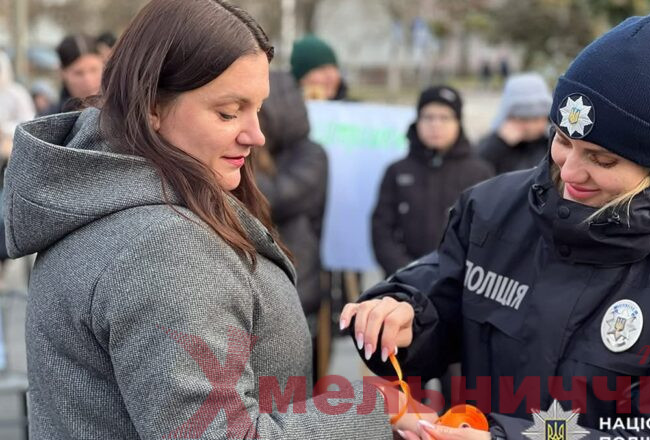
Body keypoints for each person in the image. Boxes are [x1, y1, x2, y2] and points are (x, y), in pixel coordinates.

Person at [6, 1, 429, 438]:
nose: (256, 134)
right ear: (152, 107)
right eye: (228, 112)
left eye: (258, 108)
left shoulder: (105, 198)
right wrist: (374, 409)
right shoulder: (164, 248)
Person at [342, 13, 650, 440]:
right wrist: (405, 315)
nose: (570, 172)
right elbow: (442, 288)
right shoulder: (492, 209)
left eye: (602, 159)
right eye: (562, 140)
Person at [254, 70, 329, 381]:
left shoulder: (311, 155)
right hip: (258, 289)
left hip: (300, 286)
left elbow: (274, 202)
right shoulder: (258, 151)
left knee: (295, 390)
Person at [372, 85, 494, 276]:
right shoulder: (397, 171)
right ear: (417, 121)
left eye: (445, 117)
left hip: (459, 284)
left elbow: (488, 233)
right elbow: (381, 230)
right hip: (403, 282)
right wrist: (408, 273)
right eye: (428, 117)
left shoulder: (479, 172)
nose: (435, 124)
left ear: (458, 123)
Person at [478, 73, 552, 174]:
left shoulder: (553, 143)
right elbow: (474, 170)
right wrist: (498, 142)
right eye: (524, 118)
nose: (530, 126)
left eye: (536, 118)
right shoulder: (494, 145)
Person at [43, 34, 104, 115]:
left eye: (94, 70)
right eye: (78, 73)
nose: (88, 80)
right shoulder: (50, 120)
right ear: (62, 73)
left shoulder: (120, 111)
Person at [290, 34, 347, 101]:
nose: (330, 76)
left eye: (333, 68)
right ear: (302, 78)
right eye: (322, 70)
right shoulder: (285, 109)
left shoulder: (352, 108)